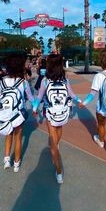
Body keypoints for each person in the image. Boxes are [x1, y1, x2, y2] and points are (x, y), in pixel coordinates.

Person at [33, 54, 82, 184]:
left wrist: (34, 108)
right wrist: (80, 101)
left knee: (52, 141)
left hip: (49, 113)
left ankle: (59, 171)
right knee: (58, 130)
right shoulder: (65, 80)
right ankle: (56, 145)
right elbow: (72, 94)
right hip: (62, 112)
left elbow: (39, 97)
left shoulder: (45, 81)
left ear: (48, 65)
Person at [0, 54, 34, 172]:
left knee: (8, 135)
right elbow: (31, 99)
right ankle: (17, 163)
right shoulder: (23, 82)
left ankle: (7, 158)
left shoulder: (2, 82)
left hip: (5, 115)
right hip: (18, 115)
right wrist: (35, 107)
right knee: (18, 138)